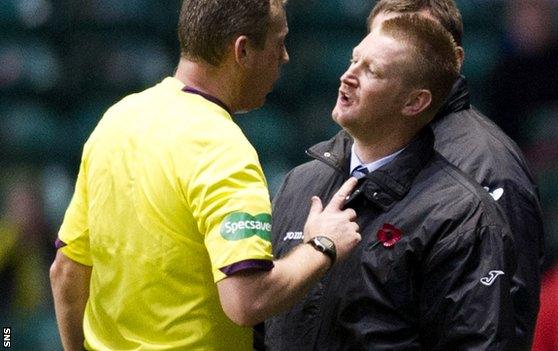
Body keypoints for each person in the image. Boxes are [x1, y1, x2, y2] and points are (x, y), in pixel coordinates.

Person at [49, 0, 361, 350]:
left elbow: (66, 274)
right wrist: (322, 246)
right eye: (279, 42)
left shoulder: (117, 120)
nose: (285, 57)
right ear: (242, 51)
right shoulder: (224, 150)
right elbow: (247, 301)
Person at [263, 14, 517, 349]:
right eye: (353, 60)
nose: (347, 77)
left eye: (371, 71)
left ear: (414, 102)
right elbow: (260, 328)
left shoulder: (462, 215)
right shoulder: (299, 183)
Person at [367, 1, 545, 349]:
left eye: (417, 48)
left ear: (456, 60)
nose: (396, 60)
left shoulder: (492, 169)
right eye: (383, 45)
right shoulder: (347, 152)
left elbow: (502, 329)